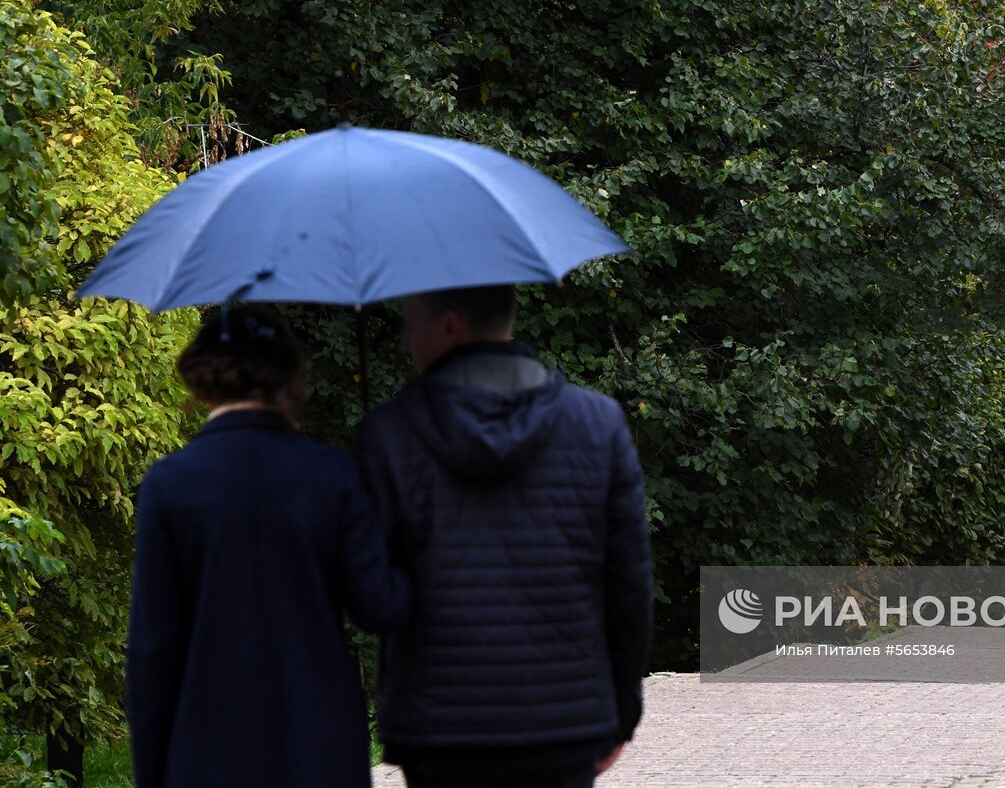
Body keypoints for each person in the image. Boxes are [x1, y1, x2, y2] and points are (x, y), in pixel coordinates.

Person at [356, 285, 653, 788]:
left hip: (439, 727)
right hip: (564, 721)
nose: (405, 342)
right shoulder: (597, 424)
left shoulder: (389, 433)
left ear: (450, 326)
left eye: (411, 324)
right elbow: (629, 586)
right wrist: (620, 714)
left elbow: (372, 601)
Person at [125, 305, 409, 788]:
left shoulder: (169, 484)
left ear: (200, 378)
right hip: (320, 747)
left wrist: (153, 772)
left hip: (207, 752)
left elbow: (153, 650)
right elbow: (380, 606)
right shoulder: (330, 475)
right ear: (289, 376)